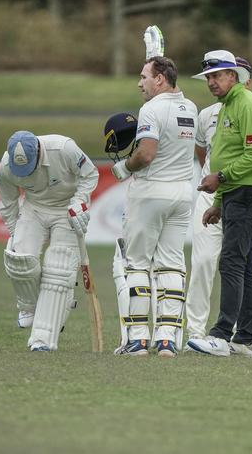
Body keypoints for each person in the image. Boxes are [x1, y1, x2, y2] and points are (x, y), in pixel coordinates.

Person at [185, 56, 252, 347]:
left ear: (234, 76)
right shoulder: (227, 106)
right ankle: (244, 340)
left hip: (249, 193)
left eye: (218, 76)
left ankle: (220, 336)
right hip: (235, 193)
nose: (211, 82)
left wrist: (221, 178)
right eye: (208, 77)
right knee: (244, 265)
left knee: (231, 262)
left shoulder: (250, 105)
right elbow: (219, 155)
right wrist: (218, 201)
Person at [110, 55, 198, 358]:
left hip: (150, 192)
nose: (140, 83)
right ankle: (166, 340)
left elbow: (146, 154)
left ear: (160, 79)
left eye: (144, 77)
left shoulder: (151, 109)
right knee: (172, 264)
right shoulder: (191, 108)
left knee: (136, 264)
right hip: (182, 194)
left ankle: (137, 339)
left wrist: (124, 167)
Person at [0, 130, 98, 352]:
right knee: (18, 259)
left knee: (58, 271)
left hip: (66, 209)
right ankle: (29, 306)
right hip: (34, 209)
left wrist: (79, 201)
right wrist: (15, 233)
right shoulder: (6, 167)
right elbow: (8, 204)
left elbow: (90, 174)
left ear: (39, 152)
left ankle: (42, 341)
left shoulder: (63, 148)